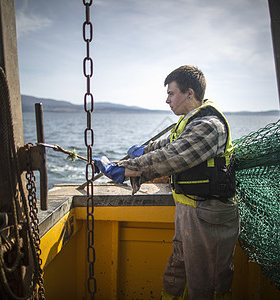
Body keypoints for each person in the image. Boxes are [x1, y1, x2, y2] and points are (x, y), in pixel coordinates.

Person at [93, 65, 239, 299]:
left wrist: (125, 169)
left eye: (171, 93)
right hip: (190, 211)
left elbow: (172, 156)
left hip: (208, 216)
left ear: (189, 93)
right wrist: (139, 153)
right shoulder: (190, 122)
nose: (167, 100)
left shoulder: (210, 126)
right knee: (176, 273)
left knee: (205, 284)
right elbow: (165, 146)